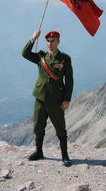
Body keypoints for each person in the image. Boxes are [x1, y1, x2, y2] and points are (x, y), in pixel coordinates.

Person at [22, 30, 73, 167]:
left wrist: (66, 100)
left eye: (53, 41)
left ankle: (65, 156)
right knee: (38, 125)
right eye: (48, 41)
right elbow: (24, 53)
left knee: (60, 127)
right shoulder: (41, 56)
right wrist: (33, 39)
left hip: (56, 99)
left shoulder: (64, 59)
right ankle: (39, 152)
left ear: (58, 42)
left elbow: (69, 81)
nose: (50, 44)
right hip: (40, 97)